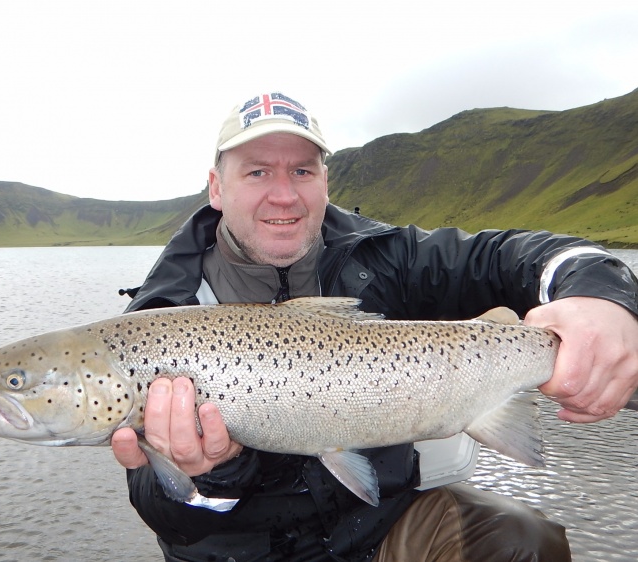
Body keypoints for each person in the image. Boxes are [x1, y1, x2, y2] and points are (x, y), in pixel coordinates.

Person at [112, 92, 638, 561]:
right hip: (243, 552)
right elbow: (170, 517)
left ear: (324, 181)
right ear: (216, 188)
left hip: (378, 530)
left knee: (522, 539)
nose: (284, 196)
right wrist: (215, 473)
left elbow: (507, 257)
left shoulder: (385, 255)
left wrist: (602, 294)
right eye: (256, 172)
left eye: (302, 171)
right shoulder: (156, 323)